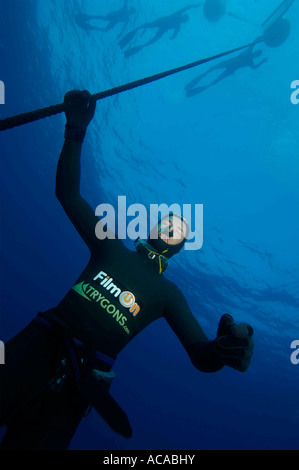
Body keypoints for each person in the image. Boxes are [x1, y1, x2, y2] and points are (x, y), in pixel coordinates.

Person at [0, 90, 254, 450]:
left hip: (79, 387)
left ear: (179, 250)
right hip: (37, 346)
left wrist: (223, 351)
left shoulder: (169, 294)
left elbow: (201, 355)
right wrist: (75, 130)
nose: (172, 229)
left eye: (179, 232)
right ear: (152, 229)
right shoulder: (111, 246)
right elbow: (68, 194)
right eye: (168, 222)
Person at [118, 4, 200, 57]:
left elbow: (175, 33)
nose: (183, 20)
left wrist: (172, 37)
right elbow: (186, 8)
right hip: (161, 22)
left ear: (184, 21)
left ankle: (129, 52)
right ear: (183, 17)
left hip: (163, 28)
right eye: (184, 18)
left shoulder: (178, 25)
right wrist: (194, 6)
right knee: (145, 26)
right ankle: (125, 42)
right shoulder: (178, 15)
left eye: (184, 20)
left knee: (152, 41)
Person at [185, 45, 267, 97]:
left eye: (257, 55)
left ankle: (194, 91)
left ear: (256, 56)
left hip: (231, 69)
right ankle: (196, 82)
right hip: (229, 62)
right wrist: (261, 37)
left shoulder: (250, 60)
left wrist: (262, 62)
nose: (256, 54)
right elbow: (254, 41)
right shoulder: (249, 51)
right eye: (257, 53)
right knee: (211, 70)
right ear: (255, 52)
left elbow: (254, 67)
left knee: (215, 81)